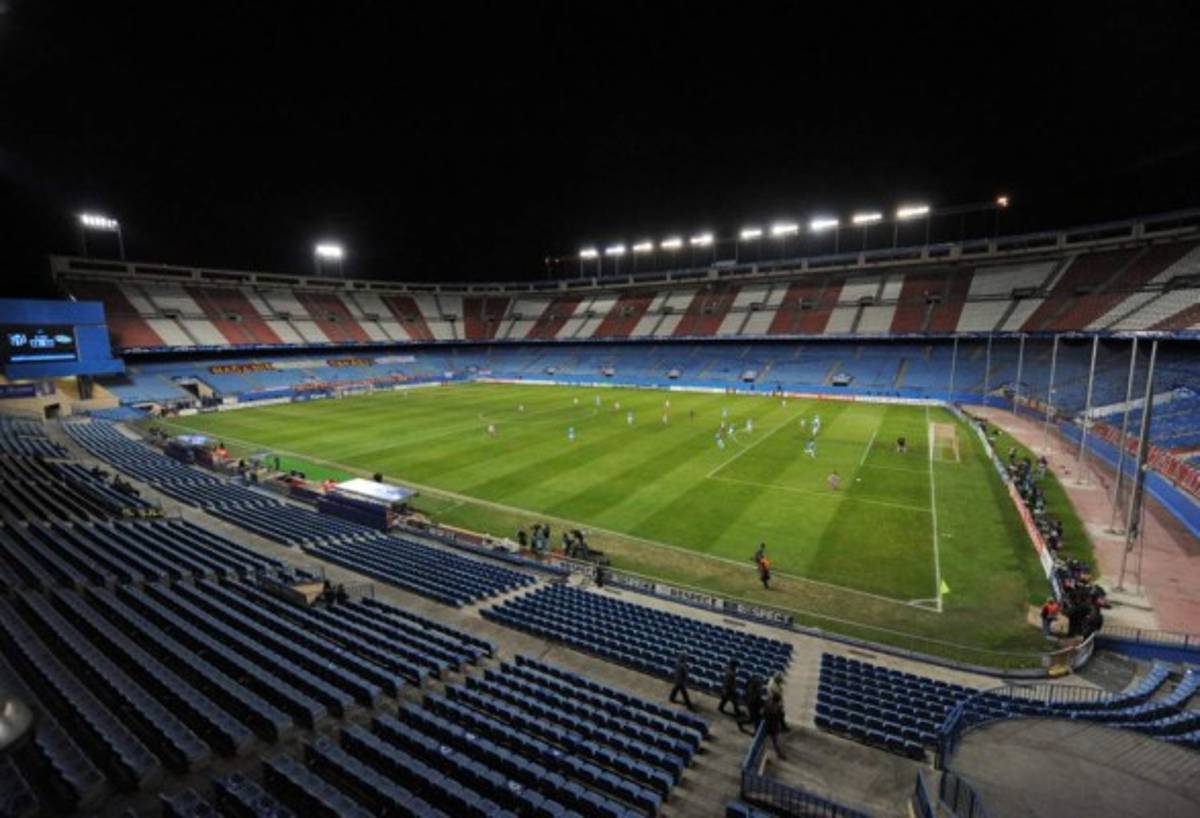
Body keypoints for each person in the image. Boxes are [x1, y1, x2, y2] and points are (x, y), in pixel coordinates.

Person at [763, 691, 787, 760]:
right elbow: (781, 719)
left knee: (766, 740)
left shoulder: (767, 703)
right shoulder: (778, 709)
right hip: (774, 727)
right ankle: (779, 754)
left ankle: (776, 753)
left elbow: (764, 712)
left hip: (767, 724)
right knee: (775, 741)